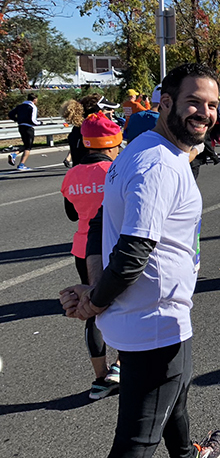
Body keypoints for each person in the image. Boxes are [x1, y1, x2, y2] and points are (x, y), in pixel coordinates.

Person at [58, 63, 220, 458]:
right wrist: (94, 300)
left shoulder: (141, 148)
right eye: (193, 102)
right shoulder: (159, 166)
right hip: (155, 325)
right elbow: (134, 252)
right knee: (136, 441)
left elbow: (99, 220)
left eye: (212, 104)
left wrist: (94, 288)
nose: (205, 112)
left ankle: (188, 453)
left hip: (140, 319)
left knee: (175, 395)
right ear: (165, 103)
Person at [61, 112, 123, 400]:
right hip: (114, 245)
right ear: (112, 144)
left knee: (91, 307)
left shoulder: (72, 174)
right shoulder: (116, 169)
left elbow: (72, 214)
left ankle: (100, 377)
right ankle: (121, 366)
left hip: (82, 249)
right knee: (122, 304)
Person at [8, 93, 41, 171]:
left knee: (26, 145)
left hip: (21, 127)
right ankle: (21, 165)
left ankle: (14, 154)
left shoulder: (20, 106)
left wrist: (18, 120)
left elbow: (10, 114)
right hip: (29, 128)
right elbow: (33, 120)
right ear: (34, 99)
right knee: (28, 147)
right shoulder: (33, 107)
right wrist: (40, 123)